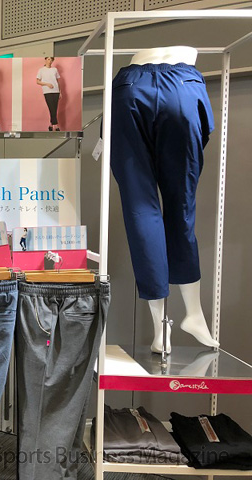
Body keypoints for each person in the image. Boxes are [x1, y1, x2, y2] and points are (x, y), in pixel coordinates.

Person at [111, 46, 218, 353]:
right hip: (182, 86)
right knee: (181, 207)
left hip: (130, 87)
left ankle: (161, 329)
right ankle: (193, 314)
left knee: (141, 209)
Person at [36, 57, 62, 131]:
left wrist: (60, 92)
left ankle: (51, 125)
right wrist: (47, 84)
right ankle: (56, 125)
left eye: (51, 59)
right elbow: (37, 81)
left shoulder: (55, 69)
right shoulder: (41, 70)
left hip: (56, 91)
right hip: (47, 91)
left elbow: (58, 81)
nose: (50, 61)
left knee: (54, 108)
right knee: (51, 108)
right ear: (45, 60)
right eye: (48, 59)